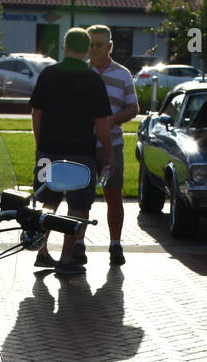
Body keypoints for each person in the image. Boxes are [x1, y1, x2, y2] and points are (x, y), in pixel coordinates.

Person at [29, 27, 115, 277]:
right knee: (77, 206)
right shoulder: (93, 79)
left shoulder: (48, 74)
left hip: (49, 150)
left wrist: (40, 144)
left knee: (47, 201)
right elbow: (101, 123)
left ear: (64, 47)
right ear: (87, 49)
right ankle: (67, 259)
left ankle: (41, 250)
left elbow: (37, 112)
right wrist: (109, 154)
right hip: (81, 152)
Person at [84, 24, 138, 267]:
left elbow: (133, 108)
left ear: (110, 47)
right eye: (91, 44)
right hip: (82, 144)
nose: (94, 49)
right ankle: (77, 244)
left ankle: (115, 244)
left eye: (99, 44)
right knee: (80, 198)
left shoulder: (123, 74)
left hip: (112, 145)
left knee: (113, 195)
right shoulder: (81, 72)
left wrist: (110, 121)